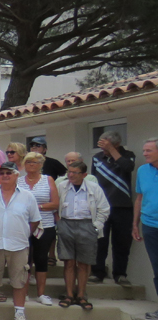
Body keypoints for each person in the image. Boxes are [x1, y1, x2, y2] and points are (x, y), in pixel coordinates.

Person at [0, 161, 42, 320]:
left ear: (16, 175)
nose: (5, 176)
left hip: (18, 245)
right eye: (2, 173)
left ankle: (19, 314)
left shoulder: (27, 196)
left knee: (19, 281)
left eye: (8, 173)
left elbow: (35, 220)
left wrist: (23, 233)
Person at [55, 160, 110, 310]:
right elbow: (55, 205)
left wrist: (96, 226)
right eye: (69, 172)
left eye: (75, 172)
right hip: (66, 223)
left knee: (84, 263)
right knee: (69, 262)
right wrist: (59, 223)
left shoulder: (94, 188)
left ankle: (81, 295)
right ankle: (69, 294)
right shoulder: (61, 186)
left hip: (87, 224)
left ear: (84, 175)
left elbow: (104, 208)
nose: (71, 175)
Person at [91, 131, 136, 286]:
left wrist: (112, 150)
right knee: (100, 242)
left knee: (122, 243)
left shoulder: (128, 155)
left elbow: (127, 167)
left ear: (117, 144)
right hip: (101, 207)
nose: (103, 149)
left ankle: (120, 274)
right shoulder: (97, 158)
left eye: (107, 145)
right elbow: (93, 180)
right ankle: (98, 272)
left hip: (122, 206)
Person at [17, 152, 59, 305]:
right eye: (28, 162)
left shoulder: (48, 180)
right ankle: (24, 293)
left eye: (34, 162)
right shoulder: (18, 181)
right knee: (24, 260)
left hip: (45, 225)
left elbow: (55, 203)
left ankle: (41, 294)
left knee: (41, 258)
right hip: (23, 225)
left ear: (41, 164)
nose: (31, 165)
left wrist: (36, 207)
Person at [135, 139, 158, 319]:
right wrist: (135, 224)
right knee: (157, 268)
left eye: (148, 150)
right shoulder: (142, 170)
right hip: (150, 225)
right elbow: (139, 198)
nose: (144, 154)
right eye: (144, 150)